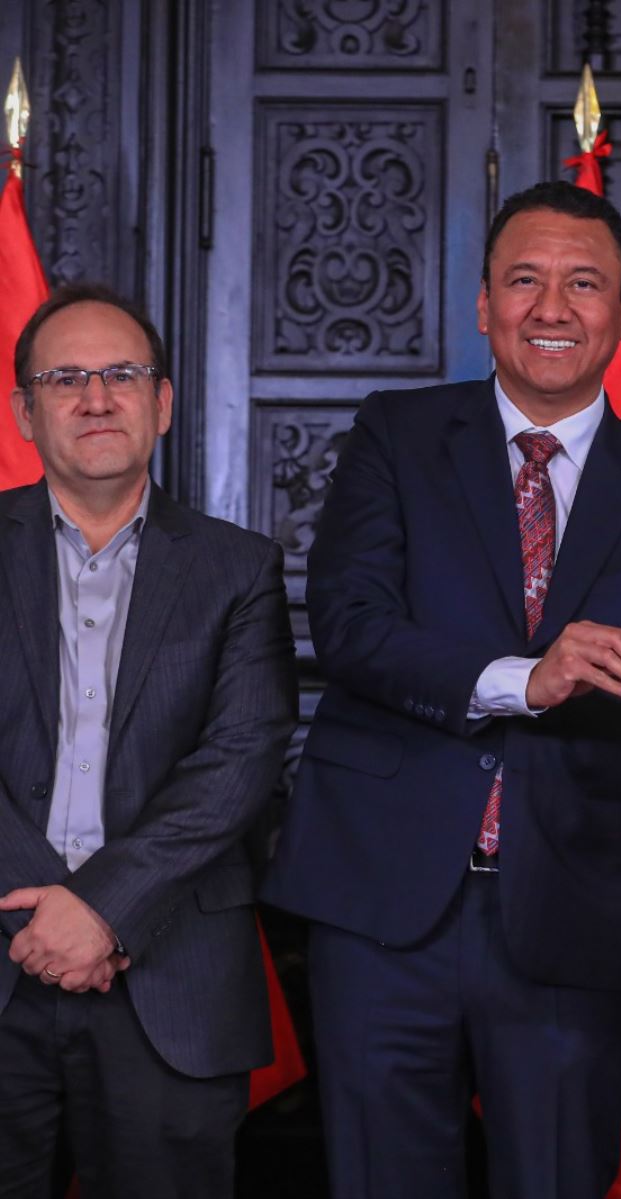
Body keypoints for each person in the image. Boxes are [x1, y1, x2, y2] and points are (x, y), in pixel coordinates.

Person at [260, 181, 621, 1197]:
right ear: (483, 303)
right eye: (524, 280)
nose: (551, 307)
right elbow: (350, 626)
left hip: (574, 910)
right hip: (383, 902)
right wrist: (529, 678)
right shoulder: (396, 433)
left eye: (583, 284)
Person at [0, 285, 298, 1197]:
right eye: (65, 379)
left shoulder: (238, 567)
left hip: (171, 971)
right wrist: (48, 913)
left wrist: (99, 908)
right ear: (24, 411)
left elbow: (242, 758)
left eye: (122, 375)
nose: (96, 398)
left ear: (162, 402)